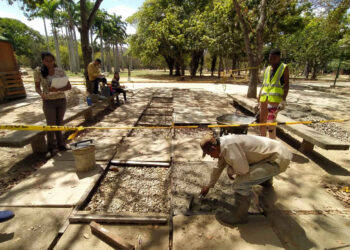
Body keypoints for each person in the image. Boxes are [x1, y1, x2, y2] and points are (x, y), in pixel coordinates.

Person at [199, 133, 292, 226]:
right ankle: (265, 180)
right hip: (274, 153)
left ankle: (240, 216)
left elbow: (243, 170)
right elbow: (218, 167)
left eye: (209, 154)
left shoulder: (230, 147)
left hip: (278, 159)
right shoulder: (222, 144)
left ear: (213, 149)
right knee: (249, 166)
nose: (211, 157)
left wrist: (230, 170)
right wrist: (209, 186)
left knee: (239, 184)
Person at [34, 52, 72, 157]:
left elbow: (69, 86)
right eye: (47, 61)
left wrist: (58, 89)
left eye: (51, 61)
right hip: (48, 101)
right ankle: (51, 147)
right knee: (51, 124)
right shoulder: (38, 71)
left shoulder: (59, 71)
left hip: (61, 100)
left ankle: (61, 144)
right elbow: (37, 87)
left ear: (53, 61)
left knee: (59, 123)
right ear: (43, 61)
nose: (49, 63)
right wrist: (41, 94)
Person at [258, 48, 289, 139]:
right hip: (264, 99)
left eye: (274, 59)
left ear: (279, 58)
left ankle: (272, 143)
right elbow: (264, 84)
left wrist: (283, 99)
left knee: (270, 123)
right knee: (262, 121)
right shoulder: (267, 69)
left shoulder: (284, 68)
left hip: (274, 100)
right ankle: (262, 140)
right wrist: (258, 98)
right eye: (270, 59)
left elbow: (286, 84)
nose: (272, 61)